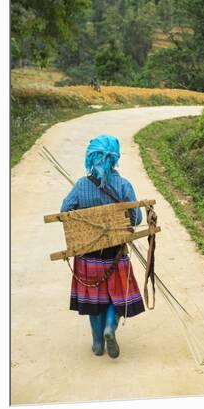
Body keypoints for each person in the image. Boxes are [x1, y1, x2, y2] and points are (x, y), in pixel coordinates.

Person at [60, 134, 145, 359]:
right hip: (116, 256)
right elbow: (136, 218)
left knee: (94, 300)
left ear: (91, 158)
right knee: (114, 297)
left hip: (88, 258)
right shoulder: (124, 185)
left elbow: (65, 211)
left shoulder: (80, 185)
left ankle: (98, 343)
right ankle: (110, 328)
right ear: (114, 158)